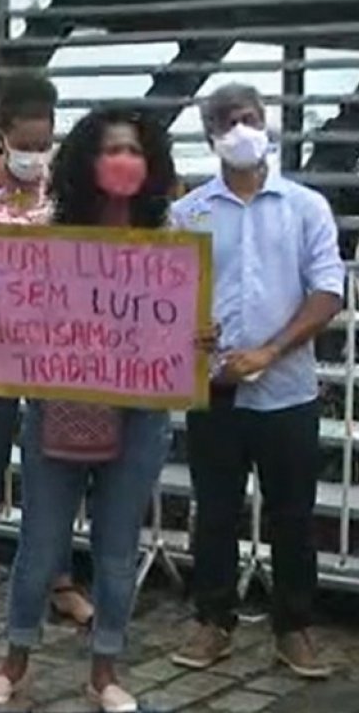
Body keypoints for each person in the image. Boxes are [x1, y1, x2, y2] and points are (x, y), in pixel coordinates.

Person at [0, 108, 179, 712]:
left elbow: (181, 322)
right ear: (89, 162)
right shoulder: (46, 233)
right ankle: (14, 660)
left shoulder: (169, 239)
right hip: (59, 406)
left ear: (153, 165)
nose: (125, 162)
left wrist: (197, 340)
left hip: (140, 412)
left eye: (136, 152)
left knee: (117, 551)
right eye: (113, 150)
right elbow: (15, 311)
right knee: (40, 545)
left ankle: (105, 670)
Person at [169, 83, 342, 679]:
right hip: (214, 390)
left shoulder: (305, 207)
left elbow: (327, 293)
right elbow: (166, 298)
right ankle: (212, 618)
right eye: (225, 121)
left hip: (287, 389)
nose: (239, 128)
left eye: (248, 117)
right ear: (210, 135)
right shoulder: (187, 213)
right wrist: (190, 333)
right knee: (214, 509)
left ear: (266, 122)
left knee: (293, 513)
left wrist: (271, 350)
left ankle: (293, 627)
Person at [0, 74, 93, 628]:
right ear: (1, 135)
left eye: (42, 143)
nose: (34, 154)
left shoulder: (67, 187)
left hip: (56, 346)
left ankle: (58, 576)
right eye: (24, 144)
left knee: (55, 462)